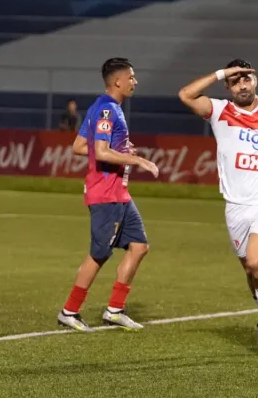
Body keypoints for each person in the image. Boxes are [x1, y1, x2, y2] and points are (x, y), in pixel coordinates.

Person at [177, 59, 258, 356]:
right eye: (236, 81)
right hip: (235, 206)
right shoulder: (220, 111)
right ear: (228, 86)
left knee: (255, 262)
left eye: (246, 78)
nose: (242, 85)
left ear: (256, 80)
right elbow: (185, 95)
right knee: (250, 272)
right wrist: (221, 72)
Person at [57, 58, 160, 332]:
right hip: (105, 193)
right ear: (118, 81)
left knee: (139, 246)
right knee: (99, 253)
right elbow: (99, 152)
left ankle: (114, 310)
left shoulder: (101, 108)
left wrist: (122, 149)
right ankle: (69, 311)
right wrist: (136, 160)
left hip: (120, 193)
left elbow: (79, 146)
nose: (135, 82)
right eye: (132, 77)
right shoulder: (106, 111)